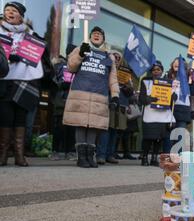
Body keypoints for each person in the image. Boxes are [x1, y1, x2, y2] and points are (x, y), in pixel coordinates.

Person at [0, 2, 53, 167]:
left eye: (14, 10)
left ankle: (19, 156)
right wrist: (8, 58)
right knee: (5, 118)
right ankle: (2, 155)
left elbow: (40, 54)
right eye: (7, 10)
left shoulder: (31, 34)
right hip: (4, 81)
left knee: (21, 120)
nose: (9, 12)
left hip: (24, 80)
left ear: (21, 16)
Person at [63, 26, 120, 168]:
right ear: (90, 36)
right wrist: (80, 54)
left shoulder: (109, 56)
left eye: (99, 34)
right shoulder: (80, 48)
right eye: (94, 33)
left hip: (99, 95)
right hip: (81, 93)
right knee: (81, 125)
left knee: (94, 126)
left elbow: (112, 79)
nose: (96, 35)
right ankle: (81, 157)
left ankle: (90, 156)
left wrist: (115, 95)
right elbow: (71, 67)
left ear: (103, 38)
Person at [139, 61, 175, 166]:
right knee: (148, 138)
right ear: (151, 71)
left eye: (158, 69)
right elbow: (141, 98)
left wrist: (173, 98)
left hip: (162, 115)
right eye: (154, 70)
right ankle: (144, 157)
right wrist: (149, 99)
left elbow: (169, 99)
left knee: (159, 138)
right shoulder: (145, 81)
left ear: (162, 71)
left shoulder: (167, 82)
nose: (156, 72)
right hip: (150, 114)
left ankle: (154, 158)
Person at [96, 50, 128, 165]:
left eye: (119, 58)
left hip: (121, 105)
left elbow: (130, 93)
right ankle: (101, 155)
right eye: (115, 56)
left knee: (114, 131)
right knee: (105, 130)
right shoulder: (105, 68)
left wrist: (127, 88)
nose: (116, 59)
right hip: (107, 101)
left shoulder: (125, 74)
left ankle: (110, 154)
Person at [49, 44, 77, 161]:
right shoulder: (59, 65)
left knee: (71, 129)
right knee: (59, 128)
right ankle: (55, 151)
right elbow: (52, 81)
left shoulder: (78, 67)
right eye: (71, 52)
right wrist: (61, 85)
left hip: (74, 101)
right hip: (61, 101)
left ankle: (69, 151)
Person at [167, 56, 194, 148]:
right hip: (170, 108)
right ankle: (168, 157)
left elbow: (193, 92)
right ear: (172, 64)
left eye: (179, 63)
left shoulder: (188, 78)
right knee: (169, 135)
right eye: (175, 62)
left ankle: (178, 158)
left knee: (180, 135)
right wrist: (170, 96)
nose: (177, 63)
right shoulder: (168, 76)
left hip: (183, 109)